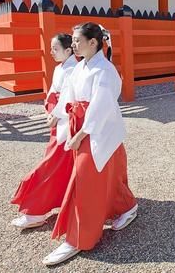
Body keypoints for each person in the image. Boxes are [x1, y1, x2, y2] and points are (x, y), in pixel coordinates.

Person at [45, 23, 138, 266]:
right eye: (73, 41)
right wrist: (58, 113)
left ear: (93, 43)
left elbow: (102, 105)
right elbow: (68, 94)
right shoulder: (81, 67)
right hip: (85, 125)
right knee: (110, 173)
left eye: (77, 41)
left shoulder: (104, 70)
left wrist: (82, 134)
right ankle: (127, 206)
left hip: (98, 129)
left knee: (85, 179)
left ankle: (78, 238)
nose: (73, 44)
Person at [11, 34, 77, 229]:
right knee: (58, 165)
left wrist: (56, 113)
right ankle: (48, 206)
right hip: (58, 122)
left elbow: (69, 97)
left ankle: (36, 211)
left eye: (55, 49)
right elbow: (53, 93)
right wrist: (50, 108)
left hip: (67, 123)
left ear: (68, 50)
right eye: (51, 48)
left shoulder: (74, 69)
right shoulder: (60, 68)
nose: (51, 52)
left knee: (50, 166)